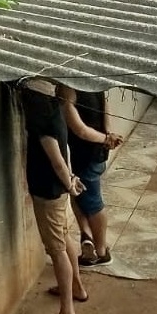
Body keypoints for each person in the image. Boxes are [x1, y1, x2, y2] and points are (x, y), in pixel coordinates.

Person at [18, 77, 88, 314]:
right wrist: (70, 181)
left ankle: (67, 313)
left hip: (48, 193)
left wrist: (69, 181)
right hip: (57, 192)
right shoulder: (56, 114)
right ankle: (77, 287)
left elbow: (57, 161)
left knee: (56, 249)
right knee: (65, 238)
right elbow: (65, 153)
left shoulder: (43, 125)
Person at [57, 85, 123, 267]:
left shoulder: (67, 91)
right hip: (96, 152)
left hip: (87, 156)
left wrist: (106, 138)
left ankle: (101, 253)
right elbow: (105, 106)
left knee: (93, 204)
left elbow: (80, 130)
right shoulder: (93, 81)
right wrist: (108, 134)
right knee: (77, 196)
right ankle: (87, 239)